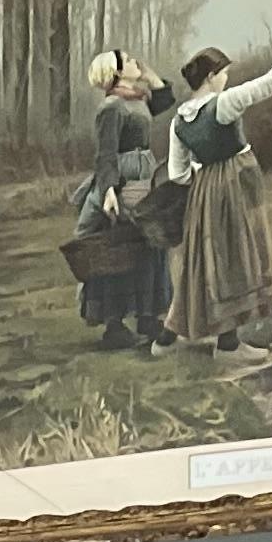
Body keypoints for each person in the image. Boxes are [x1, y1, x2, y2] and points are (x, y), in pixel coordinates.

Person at [169, 15, 272, 350]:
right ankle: (229, 346)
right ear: (211, 76)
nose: (226, 79)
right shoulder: (224, 104)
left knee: (215, 256)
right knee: (239, 253)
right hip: (236, 184)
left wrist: (205, 174)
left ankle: (191, 335)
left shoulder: (179, 121)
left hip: (204, 190)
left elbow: (178, 174)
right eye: (224, 73)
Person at [72, 48, 176, 352]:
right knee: (119, 249)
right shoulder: (112, 107)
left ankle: (147, 317)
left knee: (149, 244)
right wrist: (108, 191)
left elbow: (164, 100)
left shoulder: (136, 99)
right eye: (127, 60)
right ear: (116, 72)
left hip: (143, 177)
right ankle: (114, 325)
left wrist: (151, 77)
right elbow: (105, 153)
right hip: (123, 181)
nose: (134, 61)